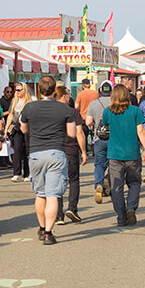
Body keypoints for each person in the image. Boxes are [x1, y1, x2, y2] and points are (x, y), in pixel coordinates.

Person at [20, 76, 76, 245]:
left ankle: (42, 226)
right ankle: (49, 233)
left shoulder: (29, 107)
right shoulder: (65, 109)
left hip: (36, 153)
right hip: (56, 152)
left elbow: (23, 129)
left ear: (38, 89)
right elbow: (72, 133)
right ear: (54, 90)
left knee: (40, 194)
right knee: (53, 195)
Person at [101, 85, 145, 226]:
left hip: (114, 154)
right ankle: (131, 207)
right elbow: (141, 131)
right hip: (132, 153)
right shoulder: (135, 111)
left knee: (117, 186)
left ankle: (121, 217)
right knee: (134, 183)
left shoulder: (107, 112)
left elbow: (105, 126)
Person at [55, 85, 88, 224]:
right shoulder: (73, 112)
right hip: (71, 150)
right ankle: (72, 208)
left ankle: (58, 215)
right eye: (68, 94)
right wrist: (84, 151)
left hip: (55, 151)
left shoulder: (51, 111)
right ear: (64, 96)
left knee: (57, 182)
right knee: (73, 180)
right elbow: (79, 132)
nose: (69, 97)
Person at [85, 80, 113, 204]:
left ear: (100, 90)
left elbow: (88, 122)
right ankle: (110, 184)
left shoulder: (94, 103)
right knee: (114, 163)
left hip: (99, 138)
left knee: (99, 164)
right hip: (114, 138)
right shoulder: (116, 103)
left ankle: (99, 184)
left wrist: (95, 124)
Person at [5, 83, 32, 182]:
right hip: (16, 128)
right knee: (17, 149)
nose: (17, 92)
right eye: (16, 90)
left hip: (28, 128)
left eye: (19, 90)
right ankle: (16, 173)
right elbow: (11, 115)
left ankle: (27, 173)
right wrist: (6, 130)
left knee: (27, 151)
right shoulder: (14, 101)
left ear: (24, 90)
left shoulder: (29, 102)